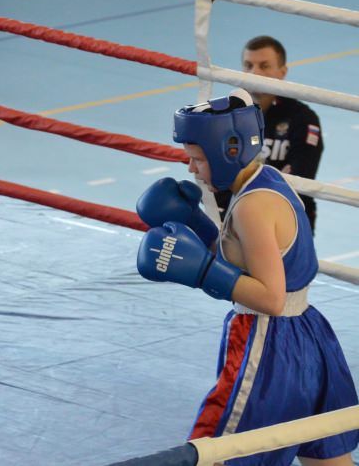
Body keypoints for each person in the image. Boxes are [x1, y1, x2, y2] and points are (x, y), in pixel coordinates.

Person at [135, 89, 357, 466]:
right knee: (326, 457)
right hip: (310, 336)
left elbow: (270, 297)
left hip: (268, 342)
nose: (191, 169)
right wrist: (199, 227)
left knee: (215, 454)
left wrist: (202, 272)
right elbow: (250, 256)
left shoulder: (252, 206)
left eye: (198, 159)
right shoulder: (265, 180)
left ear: (227, 151)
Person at [240, 35, 323, 230]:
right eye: (248, 66)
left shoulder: (303, 119)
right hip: (237, 213)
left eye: (264, 66)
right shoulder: (230, 116)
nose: (254, 73)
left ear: (282, 72)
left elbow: (299, 177)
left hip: (288, 217)